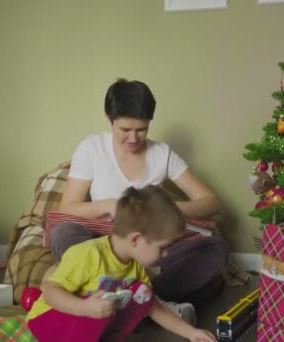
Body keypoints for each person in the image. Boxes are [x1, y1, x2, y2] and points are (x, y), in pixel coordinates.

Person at [51, 78, 228, 316]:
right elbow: (67, 208)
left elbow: (211, 203)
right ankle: (148, 303)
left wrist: (166, 208)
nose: (133, 139)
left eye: (141, 129)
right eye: (125, 130)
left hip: (151, 249)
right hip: (107, 247)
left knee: (215, 248)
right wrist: (111, 205)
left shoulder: (161, 153)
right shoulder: (91, 148)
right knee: (64, 233)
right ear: (109, 119)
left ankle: (136, 301)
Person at [26, 185, 217, 342]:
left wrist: (192, 333)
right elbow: (51, 293)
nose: (166, 254)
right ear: (135, 239)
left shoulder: (135, 267)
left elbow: (155, 308)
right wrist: (84, 308)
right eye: (162, 247)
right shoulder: (88, 254)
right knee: (104, 303)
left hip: (88, 326)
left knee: (142, 293)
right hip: (49, 323)